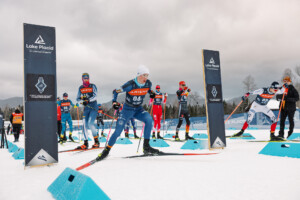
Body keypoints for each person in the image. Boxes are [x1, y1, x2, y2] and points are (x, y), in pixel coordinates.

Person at [97, 65, 159, 161]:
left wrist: (151, 93)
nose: (146, 78)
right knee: (118, 131)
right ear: (139, 75)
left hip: (138, 109)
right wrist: (114, 102)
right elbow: (115, 91)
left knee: (149, 120)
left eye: (147, 75)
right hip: (127, 110)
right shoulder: (130, 84)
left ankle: (146, 147)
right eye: (144, 75)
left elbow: (149, 90)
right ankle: (106, 150)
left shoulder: (148, 84)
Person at [76, 73, 99, 149]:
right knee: (84, 124)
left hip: (93, 107)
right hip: (86, 108)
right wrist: (82, 100)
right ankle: (85, 143)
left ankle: (96, 141)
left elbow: (95, 96)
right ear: (82, 79)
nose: (86, 80)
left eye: (87, 78)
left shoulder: (93, 86)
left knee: (90, 123)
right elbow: (77, 99)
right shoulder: (80, 88)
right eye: (84, 78)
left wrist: (88, 100)